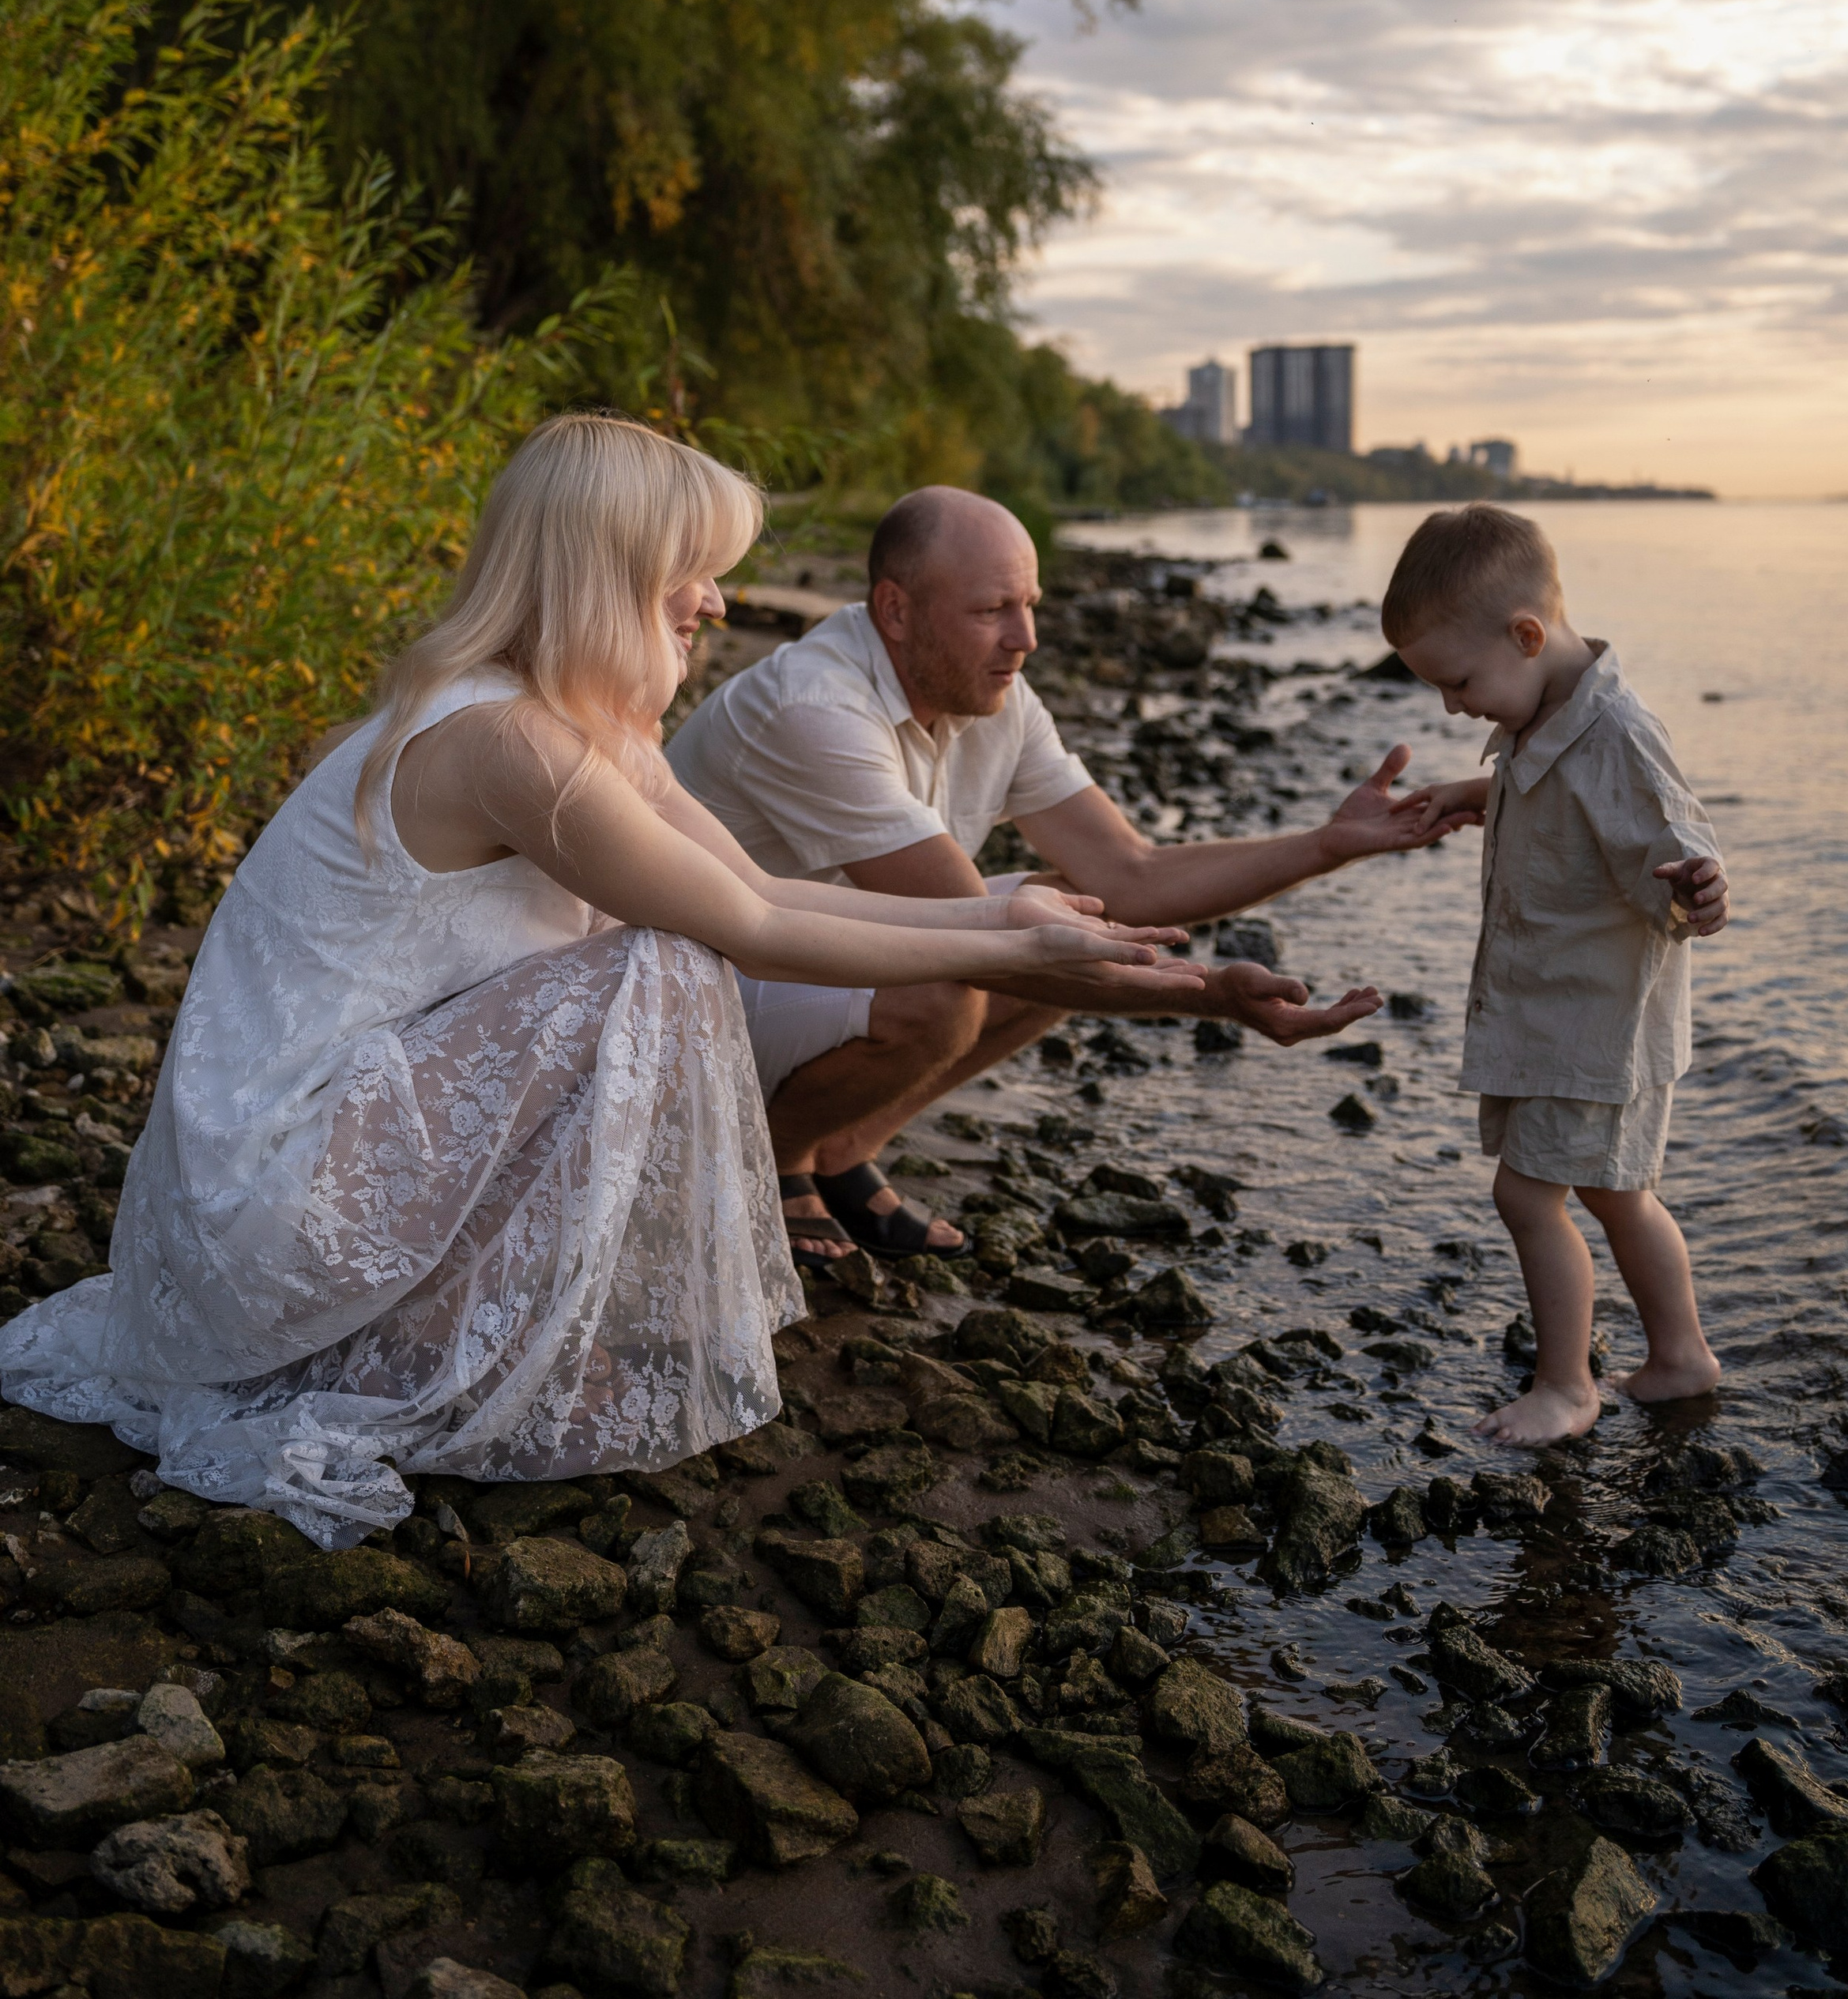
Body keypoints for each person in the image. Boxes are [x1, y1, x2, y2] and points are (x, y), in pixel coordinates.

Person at [0, 416, 1251, 1547]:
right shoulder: (503, 743)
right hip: (263, 1204)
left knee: (663, 949)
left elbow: (772, 889)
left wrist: (1001, 915)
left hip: (317, 1165)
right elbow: (751, 926)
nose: (715, 599)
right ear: (607, 574)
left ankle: (461, 1331)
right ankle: (447, 1348)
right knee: (660, 964)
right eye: (691, 570)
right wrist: (1017, 946)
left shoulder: (583, 732)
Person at [669, 484, 1460, 1263]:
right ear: (896, 611)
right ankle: (767, 1157)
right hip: (690, 999)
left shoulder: (990, 694)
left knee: (1074, 910)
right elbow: (976, 938)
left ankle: (840, 1149)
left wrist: (1329, 844)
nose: (1026, 638)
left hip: (803, 966)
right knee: (959, 985)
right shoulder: (814, 708)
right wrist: (1212, 997)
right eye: (991, 611)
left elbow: (1130, 873)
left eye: (1029, 604)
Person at [1383, 503, 1730, 1447]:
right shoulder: (1544, 705)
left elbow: (1674, 838)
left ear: (1526, 634)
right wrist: (1476, 793)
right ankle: (1679, 1359)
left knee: (1525, 1196)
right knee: (1619, 1192)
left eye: (1457, 684)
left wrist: (1699, 885)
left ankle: (1565, 1387)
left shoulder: (1616, 731)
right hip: (1567, 1014)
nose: (1453, 707)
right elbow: (1555, 794)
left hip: (1589, 1020)